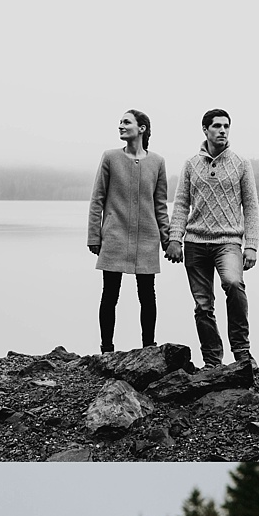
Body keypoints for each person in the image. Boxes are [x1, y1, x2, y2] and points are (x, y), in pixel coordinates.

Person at [167, 107, 259, 369]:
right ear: (205, 129)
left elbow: (251, 207)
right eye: (217, 126)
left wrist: (251, 245)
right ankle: (212, 361)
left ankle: (242, 352)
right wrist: (175, 238)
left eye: (226, 126)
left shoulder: (241, 164)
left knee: (233, 284)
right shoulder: (190, 164)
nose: (222, 130)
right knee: (203, 305)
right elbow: (181, 203)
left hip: (228, 242)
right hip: (195, 242)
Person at [87, 109, 170, 353]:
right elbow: (97, 199)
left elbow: (160, 205)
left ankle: (149, 348)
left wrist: (168, 240)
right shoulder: (110, 157)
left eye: (126, 122)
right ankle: (107, 350)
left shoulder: (158, 162)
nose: (120, 126)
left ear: (141, 128)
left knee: (147, 294)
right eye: (120, 122)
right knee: (110, 294)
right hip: (114, 236)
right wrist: (94, 235)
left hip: (147, 237)